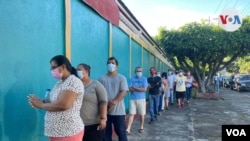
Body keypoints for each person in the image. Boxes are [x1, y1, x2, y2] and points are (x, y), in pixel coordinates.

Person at [28, 55, 85, 141]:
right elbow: (51, 101)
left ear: (63, 67)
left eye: (54, 67)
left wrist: (40, 105)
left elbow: (63, 105)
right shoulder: (60, 83)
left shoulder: (73, 82)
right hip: (56, 133)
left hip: (68, 132)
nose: (52, 70)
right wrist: (38, 101)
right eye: (51, 68)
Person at [98, 57, 128, 141]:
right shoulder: (101, 78)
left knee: (121, 132)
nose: (110, 64)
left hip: (118, 112)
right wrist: (105, 103)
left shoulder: (121, 78)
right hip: (105, 111)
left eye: (113, 63)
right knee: (105, 134)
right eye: (109, 63)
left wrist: (114, 102)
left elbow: (123, 91)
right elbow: (99, 92)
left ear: (116, 66)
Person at [77, 63, 108, 141]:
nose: (77, 71)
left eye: (79, 70)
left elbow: (103, 102)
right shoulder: (76, 85)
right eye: (77, 70)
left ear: (86, 71)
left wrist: (103, 118)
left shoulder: (96, 85)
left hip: (93, 125)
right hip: (78, 125)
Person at [126, 67, 148, 134]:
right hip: (132, 99)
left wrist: (134, 87)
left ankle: (141, 127)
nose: (139, 72)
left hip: (141, 99)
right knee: (131, 114)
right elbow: (129, 89)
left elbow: (144, 89)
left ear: (142, 72)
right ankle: (128, 128)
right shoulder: (132, 79)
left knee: (141, 114)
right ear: (135, 72)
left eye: (140, 71)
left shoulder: (144, 79)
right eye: (137, 71)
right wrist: (139, 88)